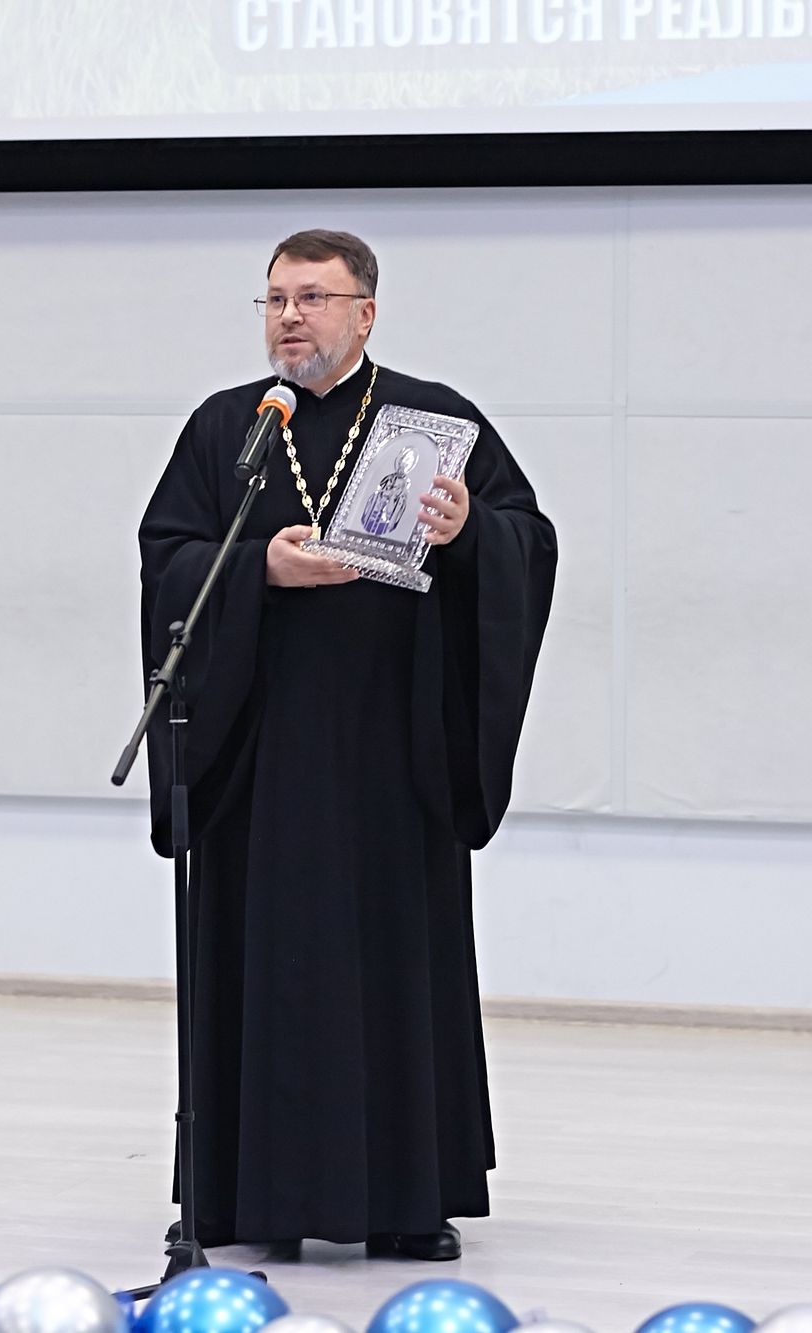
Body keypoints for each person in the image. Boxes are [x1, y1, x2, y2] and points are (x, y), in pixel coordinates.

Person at [137, 229, 556, 1262]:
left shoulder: (434, 418)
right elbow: (168, 556)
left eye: (313, 297)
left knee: (392, 966)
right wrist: (259, 569)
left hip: (391, 750)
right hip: (262, 750)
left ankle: (406, 1199)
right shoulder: (229, 426)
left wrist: (467, 532)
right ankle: (239, 1198)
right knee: (260, 965)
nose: (290, 317)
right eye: (275, 298)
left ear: (364, 313)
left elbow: (528, 539)